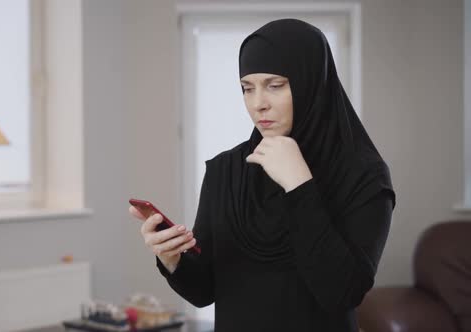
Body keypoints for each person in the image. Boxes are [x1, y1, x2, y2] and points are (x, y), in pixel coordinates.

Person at [128, 18, 396, 332]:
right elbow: (203, 292)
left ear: (311, 82)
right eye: (247, 88)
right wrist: (172, 258)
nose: (258, 104)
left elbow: (342, 293)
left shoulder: (364, 176)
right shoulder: (225, 170)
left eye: (275, 85)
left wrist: (299, 183)